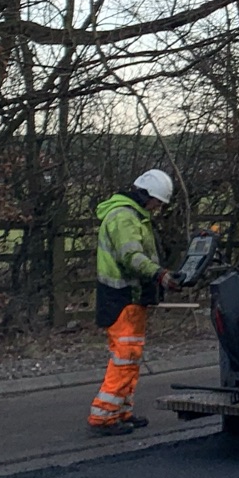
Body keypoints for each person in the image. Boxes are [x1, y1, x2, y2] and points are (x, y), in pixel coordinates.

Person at [89, 169, 179, 433]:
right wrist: (160, 274)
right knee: (124, 357)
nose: (159, 208)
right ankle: (103, 417)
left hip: (129, 298)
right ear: (146, 195)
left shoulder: (131, 216)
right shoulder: (125, 218)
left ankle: (121, 411)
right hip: (123, 298)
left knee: (130, 358)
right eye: (158, 202)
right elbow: (132, 258)